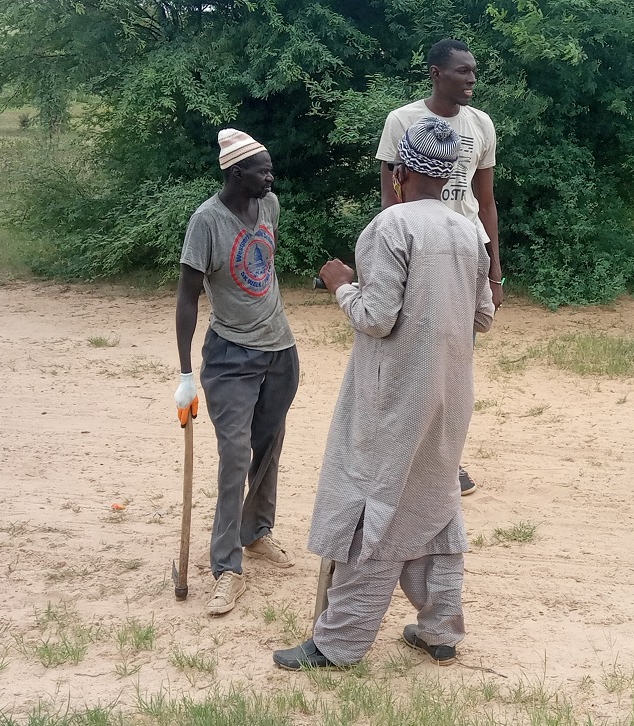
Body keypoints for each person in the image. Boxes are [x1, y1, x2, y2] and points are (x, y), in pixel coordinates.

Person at [272, 116, 494, 670]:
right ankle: (440, 630)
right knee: (435, 499)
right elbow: (483, 316)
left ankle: (339, 643)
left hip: (392, 396)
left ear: (400, 172)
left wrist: (340, 285)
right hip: (450, 394)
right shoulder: (469, 232)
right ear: (449, 176)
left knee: (376, 505)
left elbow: (375, 317)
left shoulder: (390, 226)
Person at [174, 128, 300, 615]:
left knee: (269, 445)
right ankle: (226, 567)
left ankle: (256, 532)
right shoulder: (206, 222)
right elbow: (187, 297)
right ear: (236, 172)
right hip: (230, 356)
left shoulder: (269, 206)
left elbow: (263, 271)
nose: (271, 178)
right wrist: (186, 375)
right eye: (263, 171)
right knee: (233, 454)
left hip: (280, 350)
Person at [376, 38, 501, 496]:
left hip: (465, 253)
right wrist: (391, 259)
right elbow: (391, 196)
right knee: (408, 358)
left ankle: (448, 462)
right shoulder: (402, 121)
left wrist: (495, 273)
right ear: (435, 73)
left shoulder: (481, 124)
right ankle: (403, 457)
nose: (472, 79)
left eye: (474, 71)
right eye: (463, 71)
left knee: (455, 361)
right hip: (417, 253)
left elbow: (485, 202)